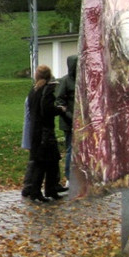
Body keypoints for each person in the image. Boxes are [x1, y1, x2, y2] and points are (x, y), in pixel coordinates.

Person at [20, 64, 67, 202]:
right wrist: (60, 110)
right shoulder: (47, 91)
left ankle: (46, 190)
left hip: (35, 131)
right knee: (46, 163)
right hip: (45, 132)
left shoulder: (33, 90)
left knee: (46, 162)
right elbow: (47, 110)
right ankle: (40, 191)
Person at [54, 55, 77, 188]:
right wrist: (69, 116)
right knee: (70, 148)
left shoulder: (82, 80)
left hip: (80, 121)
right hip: (68, 121)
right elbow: (59, 101)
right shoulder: (65, 81)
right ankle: (69, 176)